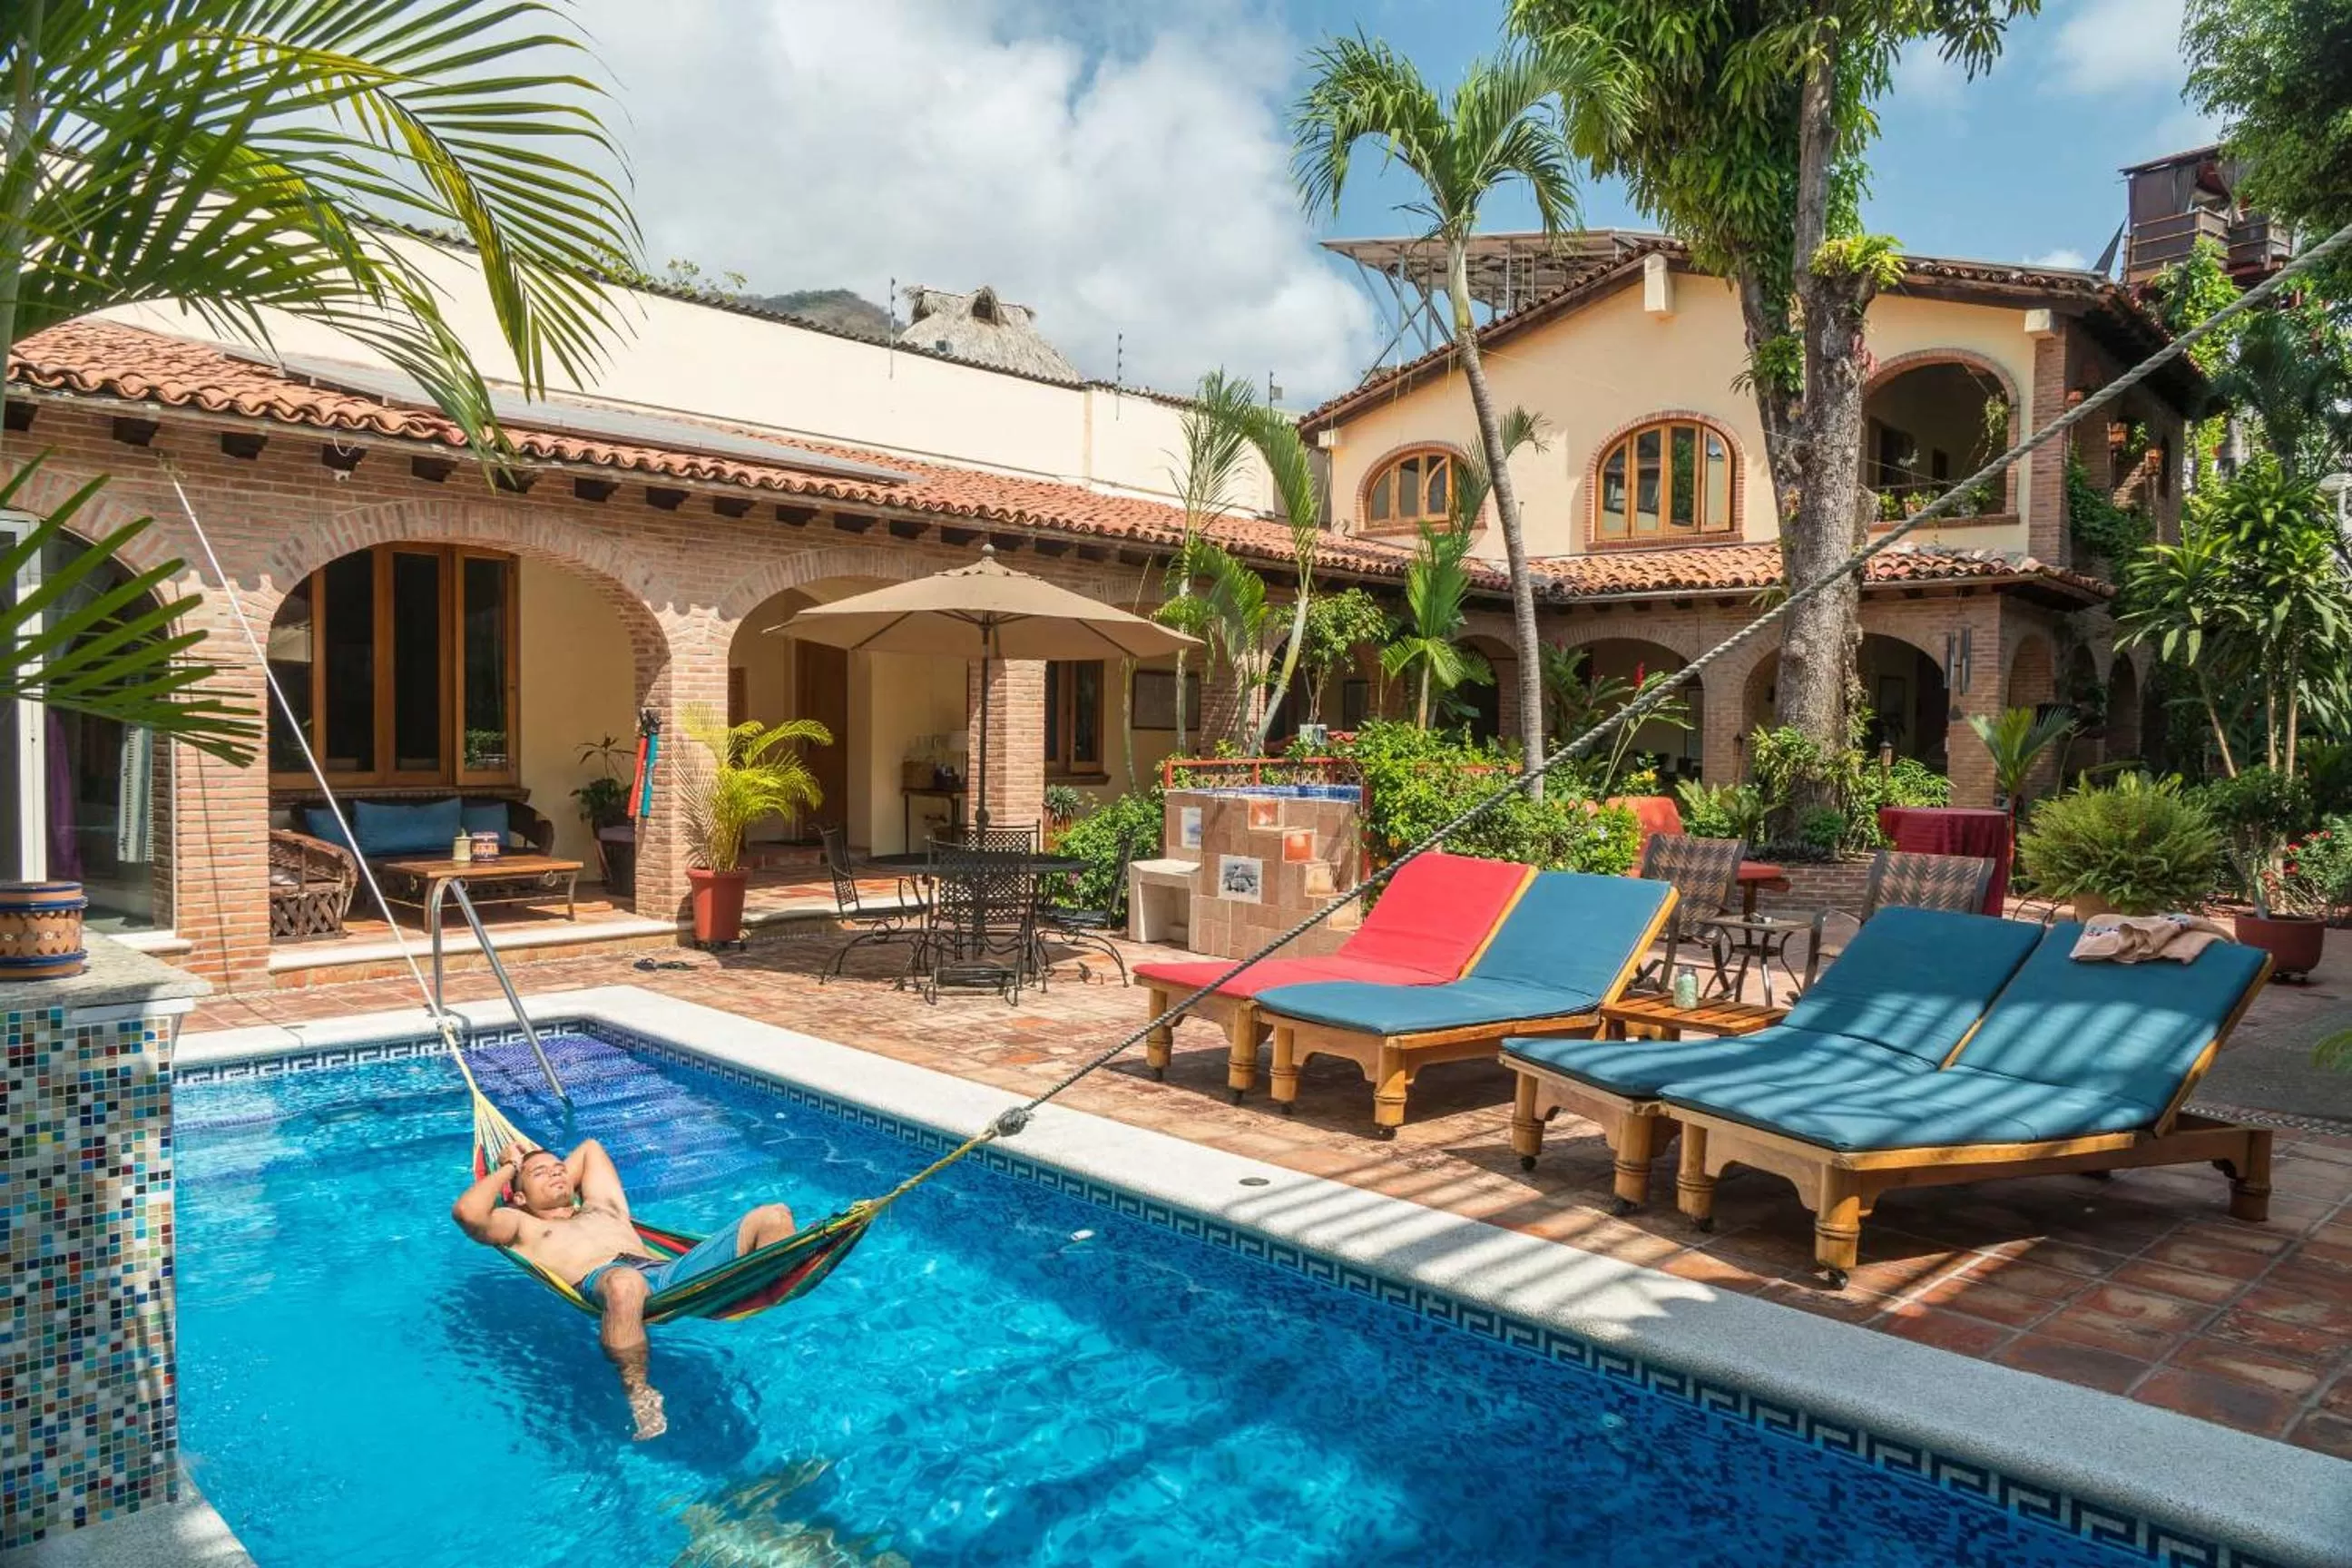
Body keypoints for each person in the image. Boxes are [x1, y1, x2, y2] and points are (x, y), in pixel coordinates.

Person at [450, 1139, 796, 1440]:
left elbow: (590, 1149)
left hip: (668, 1272)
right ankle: (638, 1390)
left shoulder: (602, 1206)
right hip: (606, 1278)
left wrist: (539, 1167)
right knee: (624, 1283)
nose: (557, 1173)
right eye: (541, 1173)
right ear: (520, 1197)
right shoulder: (520, 1224)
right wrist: (510, 1166)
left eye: (559, 1169)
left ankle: (764, 1297)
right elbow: (468, 1212)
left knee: (774, 1216)